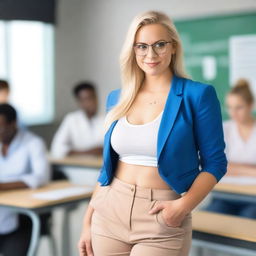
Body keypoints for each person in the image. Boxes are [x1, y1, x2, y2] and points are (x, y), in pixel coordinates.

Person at [78, 10, 227, 256]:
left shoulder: (197, 95)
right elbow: (107, 169)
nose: (151, 54)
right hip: (109, 210)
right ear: (133, 50)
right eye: (142, 46)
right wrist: (87, 221)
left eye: (159, 45)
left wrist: (182, 207)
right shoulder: (117, 98)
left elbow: (215, 163)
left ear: (174, 47)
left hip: (161, 214)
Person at [0, 103, 50, 256]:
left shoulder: (33, 143)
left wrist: (3, 186)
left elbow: (41, 176)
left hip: (22, 217)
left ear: (13, 123)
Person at [205, 78, 256, 219]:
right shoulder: (224, 128)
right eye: (230, 107)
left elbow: (226, 166)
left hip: (253, 197)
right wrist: (252, 170)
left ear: (250, 105)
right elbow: (215, 165)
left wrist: (233, 168)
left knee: (248, 218)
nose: (233, 113)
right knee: (212, 216)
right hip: (224, 195)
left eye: (239, 107)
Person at [51, 82, 105, 158]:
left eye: (93, 97)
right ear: (79, 102)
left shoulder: (107, 118)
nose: (92, 102)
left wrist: (75, 151)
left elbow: (111, 148)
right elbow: (57, 149)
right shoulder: (71, 119)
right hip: (77, 167)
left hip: (101, 167)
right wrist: (90, 152)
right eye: (87, 99)